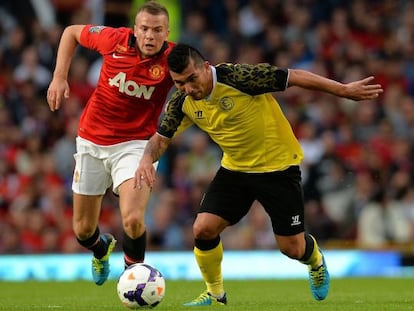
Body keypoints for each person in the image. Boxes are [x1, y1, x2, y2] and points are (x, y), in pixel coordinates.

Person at [135, 43, 384, 306]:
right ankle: (216, 294)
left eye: (192, 79)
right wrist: (145, 160)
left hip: (278, 167)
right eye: (179, 83)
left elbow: (295, 76)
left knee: (292, 249)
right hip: (236, 170)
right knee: (203, 228)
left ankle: (316, 260)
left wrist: (343, 90)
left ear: (205, 68)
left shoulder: (239, 78)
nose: (187, 88)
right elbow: (161, 139)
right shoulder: (182, 101)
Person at [46, 1, 174, 286]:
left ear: (166, 32)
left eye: (157, 30)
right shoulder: (113, 39)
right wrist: (59, 77)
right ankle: (101, 249)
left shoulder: (174, 58)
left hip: (137, 145)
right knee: (82, 230)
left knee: (133, 220)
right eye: (144, 29)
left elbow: (206, 76)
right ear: (134, 29)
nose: (150, 36)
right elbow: (70, 32)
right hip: (92, 142)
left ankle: (134, 279)